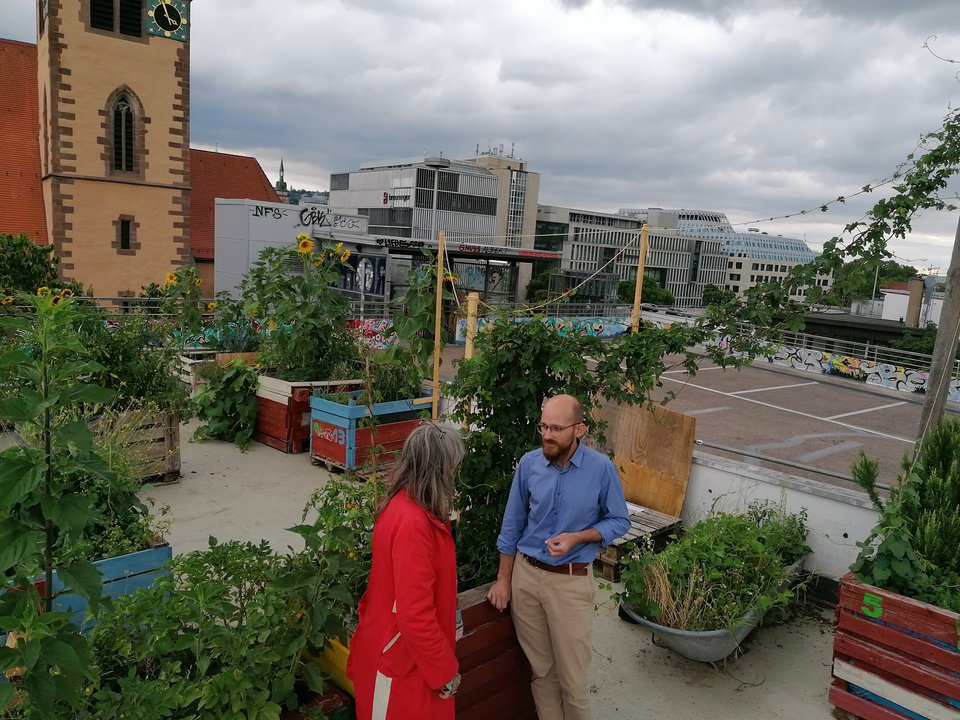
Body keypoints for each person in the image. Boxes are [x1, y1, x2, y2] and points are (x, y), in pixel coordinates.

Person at [486, 394, 630, 720]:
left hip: (570, 583)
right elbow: (512, 525)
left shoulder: (601, 470)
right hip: (526, 577)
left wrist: (578, 537)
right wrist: (503, 579)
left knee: (574, 684)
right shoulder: (529, 464)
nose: (547, 435)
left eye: (556, 428)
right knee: (542, 673)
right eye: (543, 426)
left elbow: (619, 520)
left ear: (579, 429)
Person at [348, 421, 465, 720]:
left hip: (400, 655)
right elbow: (413, 613)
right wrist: (444, 672)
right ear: (439, 469)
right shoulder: (415, 522)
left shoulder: (404, 505)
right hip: (402, 666)